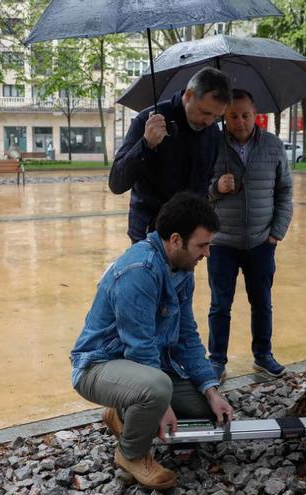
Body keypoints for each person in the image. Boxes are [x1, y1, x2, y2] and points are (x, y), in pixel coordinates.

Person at [69, 192, 234, 491]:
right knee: (157, 390)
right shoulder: (139, 271)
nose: (207, 253)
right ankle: (130, 455)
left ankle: (122, 415)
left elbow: (187, 336)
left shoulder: (183, 269)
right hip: (98, 366)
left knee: (204, 408)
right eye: (202, 245)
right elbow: (140, 347)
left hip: (145, 368)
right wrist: (161, 406)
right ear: (175, 240)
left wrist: (211, 390)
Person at [207, 89, 294, 382]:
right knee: (220, 304)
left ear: (255, 114)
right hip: (221, 243)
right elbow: (196, 191)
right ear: (224, 117)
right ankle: (216, 360)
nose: (240, 121)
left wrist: (276, 233)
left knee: (262, 302)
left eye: (245, 115)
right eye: (233, 116)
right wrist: (216, 188)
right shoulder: (212, 145)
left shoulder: (272, 146)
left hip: (261, 242)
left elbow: (284, 192)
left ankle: (263, 355)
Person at [110, 67, 232, 243]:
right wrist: (145, 144)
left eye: (217, 116)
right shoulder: (149, 121)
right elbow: (116, 183)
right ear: (189, 95)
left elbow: (203, 188)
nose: (209, 121)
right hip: (149, 237)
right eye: (205, 112)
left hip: (189, 240)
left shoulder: (212, 133)